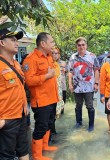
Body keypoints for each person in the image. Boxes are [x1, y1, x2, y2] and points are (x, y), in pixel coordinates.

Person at [22, 32, 59, 160]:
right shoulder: (30, 59)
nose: (54, 45)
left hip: (52, 98)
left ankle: (45, 146)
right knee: (40, 127)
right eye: (52, 42)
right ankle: (37, 155)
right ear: (43, 44)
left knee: (49, 123)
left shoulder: (48, 56)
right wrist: (47, 76)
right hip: (41, 101)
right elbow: (29, 81)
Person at [0, 28, 29, 160]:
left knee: (23, 149)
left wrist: (25, 108)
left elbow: (19, 89)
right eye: (12, 40)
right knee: (7, 155)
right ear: (2, 43)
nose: (16, 43)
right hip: (7, 119)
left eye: (17, 40)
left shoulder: (16, 64)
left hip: (21, 115)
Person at [68, 37, 100, 132]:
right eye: (79, 45)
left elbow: (97, 70)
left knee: (89, 105)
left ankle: (91, 125)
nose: (81, 47)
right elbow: (70, 71)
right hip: (77, 86)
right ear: (76, 46)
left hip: (89, 86)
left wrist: (96, 83)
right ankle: (79, 122)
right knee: (78, 105)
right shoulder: (73, 57)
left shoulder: (92, 56)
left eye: (83, 45)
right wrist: (70, 84)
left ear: (86, 45)